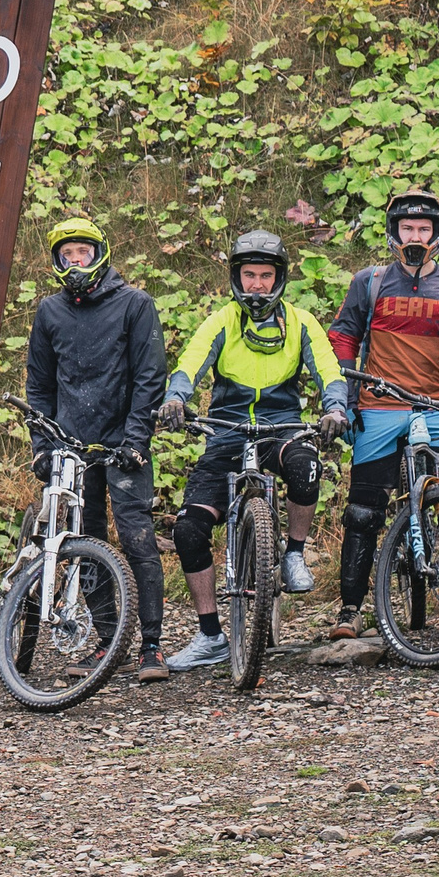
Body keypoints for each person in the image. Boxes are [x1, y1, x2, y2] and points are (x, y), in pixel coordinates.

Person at [154, 229, 350, 671]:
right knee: (188, 530)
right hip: (227, 431)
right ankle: (209, 636)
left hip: (280, 428)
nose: (257, 284)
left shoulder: (300, 322)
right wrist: (176, 398)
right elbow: (192, 360)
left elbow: (327, 368)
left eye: (265, 275)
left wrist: (335, 407)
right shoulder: (223, 319)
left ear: (278, 278)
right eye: (249, 275)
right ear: (236, 278)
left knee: (306, 467)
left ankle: (294, 554)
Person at [323, 190, 439, 639]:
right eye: (407, 229)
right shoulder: (371, 281)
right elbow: (343, 337)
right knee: (363, 511)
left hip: (437, 402)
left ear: (437, 235)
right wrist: (342, 397)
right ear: (393, 234)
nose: (414, 236)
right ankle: (351, 610)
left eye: (423, 229)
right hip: (379, 404)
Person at [22, 212, 170, 680]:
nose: (75, 261)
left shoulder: (135, 303)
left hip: (124, 446)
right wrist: (42, 445)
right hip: (71, 448)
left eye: (82, 252)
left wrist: (136, 439)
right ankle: (110, 643)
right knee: (87, 543)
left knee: (138, 540)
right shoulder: (50, 312)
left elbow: (150, 377)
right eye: (66, 255)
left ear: (100, 253)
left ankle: (151, 646)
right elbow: (39, 386)